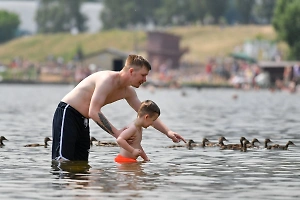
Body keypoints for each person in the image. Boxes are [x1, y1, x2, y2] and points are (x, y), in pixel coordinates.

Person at [52, 54, 186, 161]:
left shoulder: (128, 92)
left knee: (80, 163)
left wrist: (168, 132)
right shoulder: (107, 80)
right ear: (132, 71)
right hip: (68, 113)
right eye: (143, 75)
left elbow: (147, 115)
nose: (145, 80)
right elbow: (93, 111)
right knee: (63, 161)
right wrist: (117, 133)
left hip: (83, 120)